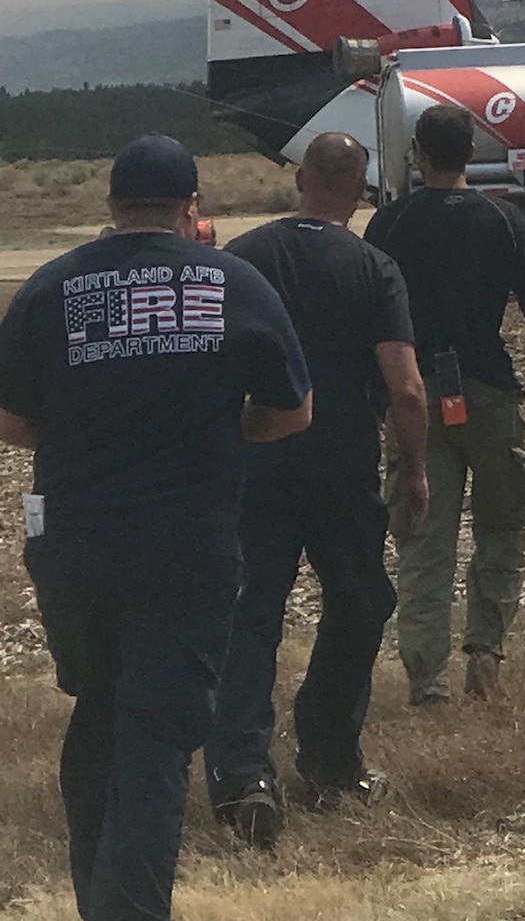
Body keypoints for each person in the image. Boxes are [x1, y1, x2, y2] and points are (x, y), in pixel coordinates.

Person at [0, 134, 311, 921]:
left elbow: (8, 412)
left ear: (109, 206)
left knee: (101, 705)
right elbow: (292, 411)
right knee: (158, 734)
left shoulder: (51, 288)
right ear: (191, 207)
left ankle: (100, 899)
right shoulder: (231, 285)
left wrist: (76, 439)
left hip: (72, 546)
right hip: (187, 542)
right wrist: (222, 429)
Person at [203, 131, 429, 845]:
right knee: (361, 604)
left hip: (256, 467)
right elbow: (407, 389)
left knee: (250, 619)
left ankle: (242, 777)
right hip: (343, 470)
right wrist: (414, 467)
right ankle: (330, 759)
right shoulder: (372, 267)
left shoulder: (241, 261)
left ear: (300, 179)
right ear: (361, 192)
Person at [365, 102, 525, 705]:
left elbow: (367, 323)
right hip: (488, 392)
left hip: (414, 397)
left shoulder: (388, 225)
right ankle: (485, 654)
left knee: (423, 540)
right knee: (503, 525)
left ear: (419, 152)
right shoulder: (503, 220)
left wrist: (372, 401)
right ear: (472, 153)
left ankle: (427, 683)